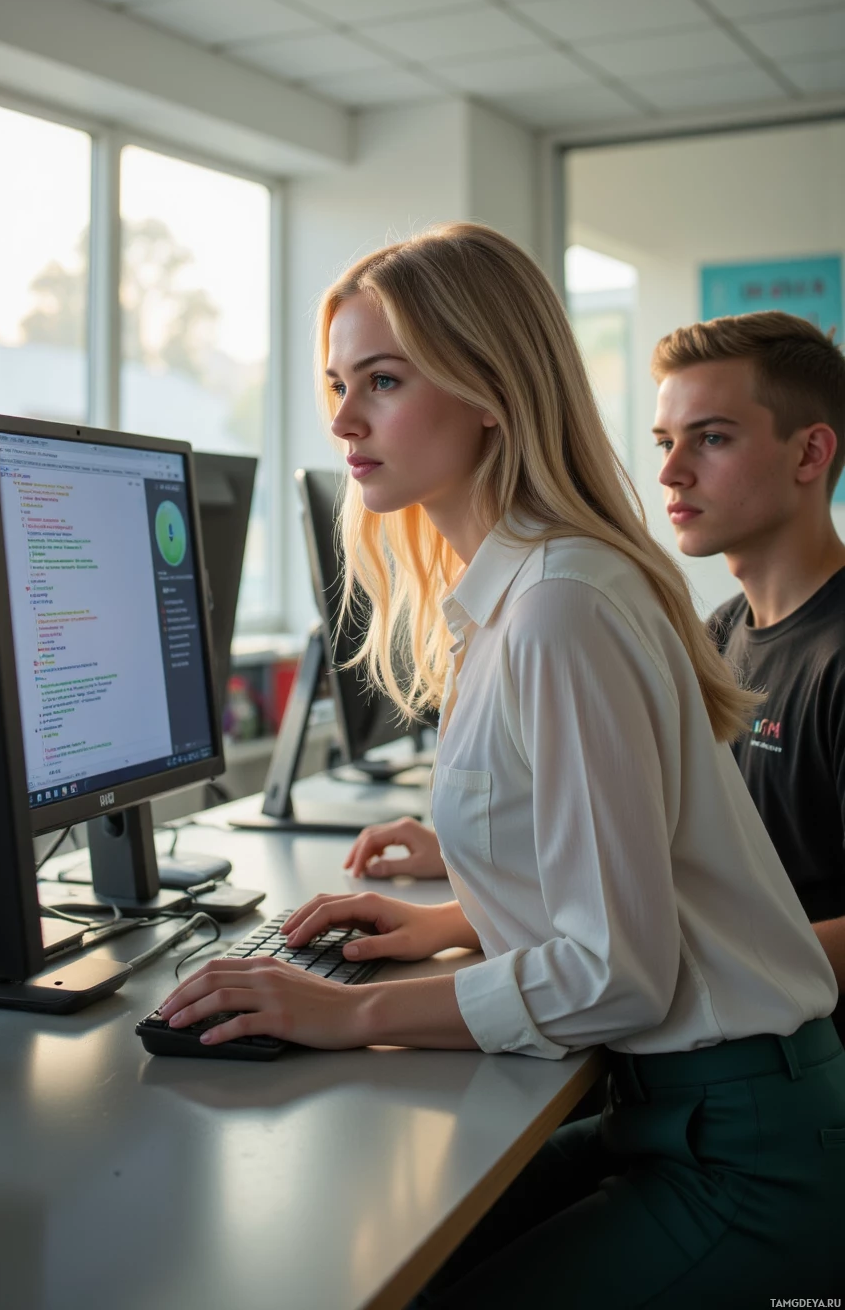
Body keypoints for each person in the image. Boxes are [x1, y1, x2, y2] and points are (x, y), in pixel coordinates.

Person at [159, 225, 845, 1305]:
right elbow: (619, 876)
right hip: (679, 1110)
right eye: (339, 383)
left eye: (382, 381)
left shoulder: (557, 607)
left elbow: (619, 971)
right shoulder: (523, 589)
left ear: (490, 389)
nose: (342, 419)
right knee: (384, 1255)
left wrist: (347, 1013)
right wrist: (447, 922)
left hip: (742, 1155)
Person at [652, 311, 845, 1038]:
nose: (671, 471)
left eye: (712, 438)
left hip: (804, 1084)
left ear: (810, 453)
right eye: (666, 442)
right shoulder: (720, 635)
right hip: (713, 1045)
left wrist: (659, 967)